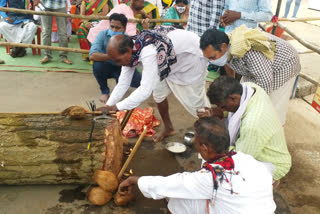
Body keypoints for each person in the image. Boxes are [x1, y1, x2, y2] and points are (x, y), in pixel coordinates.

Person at [118, 117, 276, 214]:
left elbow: (172, 184)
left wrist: (134, 180)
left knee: (177, 199)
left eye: (197, 143)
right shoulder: (244, 158)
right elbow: (271, 173)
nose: (195, 144)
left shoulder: (211, 178)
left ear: (206, 149)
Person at [97, 26, 210, 142]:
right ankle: (168, 128)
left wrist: (115, 107)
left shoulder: (147, 52)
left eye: (118, 60)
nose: (118, 64)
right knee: (158, 94)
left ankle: (211, 131)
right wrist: (108, 107)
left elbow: (145, 91)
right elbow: (123, 83)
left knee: (196, 101)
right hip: (166, 61)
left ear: (128, 50)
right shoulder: (131, 52)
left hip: (191, 57)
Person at [198, 76, 292, 182]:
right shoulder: (250, 88)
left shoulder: (252, 125)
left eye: (223, 107)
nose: (220, 109)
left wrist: (213, 145)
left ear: (233, 98)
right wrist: (217, 112)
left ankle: (268, 185)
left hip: (273, 164)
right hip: (258, 146)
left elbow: (241, 157)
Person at [200, 27, 301, 125]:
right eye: (208, 58)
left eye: (213, 57)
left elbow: (265, 82)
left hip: (283, 66)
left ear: (223, 47)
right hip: (258, 69)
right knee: (243, 96)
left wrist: (252, 105)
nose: (211, 61)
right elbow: (231, 70)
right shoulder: (227, 50)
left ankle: (273, 129)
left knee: (271, 107)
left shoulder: (248, 52)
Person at [89, 13, 141, 103]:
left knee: (139, 84)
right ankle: (105, 92)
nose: (114, 29)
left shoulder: (127, 38)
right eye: (112, 26)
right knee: (97, 65)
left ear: (124, 29)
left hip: (122, 67)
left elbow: (133, 59)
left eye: (117, 28)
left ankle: (120, 85)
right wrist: (112, 56)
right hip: (107, 66)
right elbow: (92, 55)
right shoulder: (102, 35)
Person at [34, 0, 73, 64]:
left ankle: (64, 56)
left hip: (61, 5)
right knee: (46, 31)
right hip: (45, 4)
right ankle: (47, 55)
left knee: (63, 32)